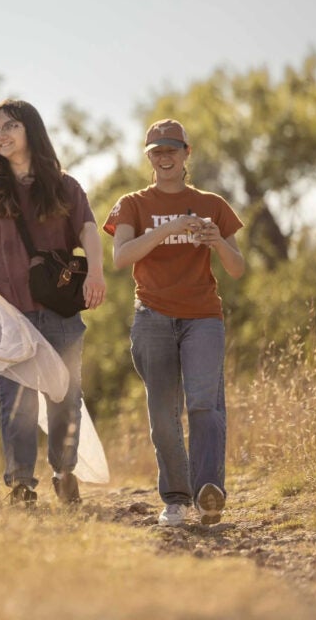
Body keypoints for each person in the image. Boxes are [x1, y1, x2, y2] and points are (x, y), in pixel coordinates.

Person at [103, 118, 245, 527]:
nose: (165, 158)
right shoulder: (133, 203)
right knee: (164, 414)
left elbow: (237, 269)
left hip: (203, 316)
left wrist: (216, 239)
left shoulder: (212, 203)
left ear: (187, 154)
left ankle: (208, 493)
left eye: (172, 150)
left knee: (204, 404)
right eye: (156, 152)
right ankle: (176, 499)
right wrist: (169, 231)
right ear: (149, 157)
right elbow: (121, 256)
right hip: (152, 317)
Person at [0, 99, 107, 506]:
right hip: (9, 315)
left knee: (65, 398)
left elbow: (89, 231)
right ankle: (21, 484)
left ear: (32, 130)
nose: (2, 134)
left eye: (11, 125)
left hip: (61, 310)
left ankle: (64, 471)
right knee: (16, 404)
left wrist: (95, 274)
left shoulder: (64, 185)